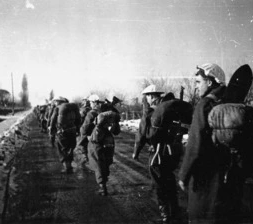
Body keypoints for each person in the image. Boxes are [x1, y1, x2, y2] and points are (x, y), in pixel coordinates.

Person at [178, 63, 241, 223]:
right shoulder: (229, 102)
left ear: (211, 82)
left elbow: (195, 144)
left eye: (199, 82)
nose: (196, 87)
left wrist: (184, 174)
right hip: (226, 173)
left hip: (204, 175)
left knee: (200, 215)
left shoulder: (204, 104)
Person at [132, 84, 182, 223]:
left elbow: (141, 133)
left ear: (152, 96)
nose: (147, 99)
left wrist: (136, 152)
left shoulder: (150, 112)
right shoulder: (171, 108)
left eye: (147, 96)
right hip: (172, 151)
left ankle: (165, 211)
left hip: (157, 152)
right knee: (169, 179)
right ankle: (174, 209)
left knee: (159, 183)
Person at [89, 110, 121, 196]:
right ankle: (104, 182)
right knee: (106, 162)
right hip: (109, 144)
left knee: (98, 164)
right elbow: (117, 132)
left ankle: (102, 188)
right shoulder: (113, 122)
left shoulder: (99, 127)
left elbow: (96, 139)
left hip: (98, 146)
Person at [50, 97, 80, 174]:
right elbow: (78, 119)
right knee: (70, 148)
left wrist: (51, 130)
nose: (55, 103)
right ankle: (69, 165)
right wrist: (77, 129)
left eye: (56, 101)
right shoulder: (73, 108)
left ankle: (67, 167)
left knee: (62, 148)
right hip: (72, 131)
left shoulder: (57, 109)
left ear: (59, 102)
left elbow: (52, 120)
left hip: (62, 132)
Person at [77, 94, 102, 164]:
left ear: (94, 102)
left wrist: (81, 131)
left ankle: (85, 158)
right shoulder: (100, 110)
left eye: (90, 102)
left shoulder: (89, 112)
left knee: (81, 144)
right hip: (98, 131)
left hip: (89, 131)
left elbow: (85, 125)